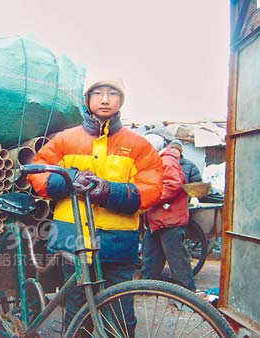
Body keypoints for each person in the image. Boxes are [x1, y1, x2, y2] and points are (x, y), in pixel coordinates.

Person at [27, 80, 164, 335]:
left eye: (113, 94)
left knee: (121, 319)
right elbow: (37, 174)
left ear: (121, 101)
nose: (105, 99)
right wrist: (70, 179)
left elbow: (153, 188)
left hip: (117, 245)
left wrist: (110, 191)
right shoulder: (65, 140)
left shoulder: (138, 145)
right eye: (98, 93)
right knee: (77, 316)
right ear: (87, 99)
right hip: (73, 244)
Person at [141, 144, 197, 291]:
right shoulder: (161, 160)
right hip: (157, 219)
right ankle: (147, 287)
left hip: (169, 219)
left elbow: (173, 184)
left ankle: (188, 293)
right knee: (151, 256)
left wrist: (151, 199)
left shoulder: (166, 161)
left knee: (177, 258)